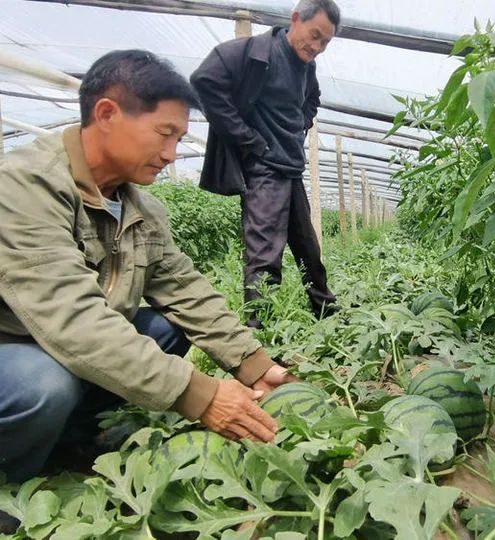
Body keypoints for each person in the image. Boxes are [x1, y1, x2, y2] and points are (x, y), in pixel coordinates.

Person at [0, 50, 295, 492]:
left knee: (163, 328)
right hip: (15, 346)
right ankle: (11, 489)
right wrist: (200, 395)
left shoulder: (138, 206)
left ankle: (71, 441)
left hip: (57, 343)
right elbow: (75, 322)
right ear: (107, 113)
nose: (172, 154)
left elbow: (185, 290)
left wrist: (254, 365)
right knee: (43, 386)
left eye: (179, 139)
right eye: (164, 134)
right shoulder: (26, 185)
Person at [191, 0, 341, 328]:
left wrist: (302, 120)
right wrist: (249, 140)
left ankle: (326, 312)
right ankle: (260, 333)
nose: (316, 47)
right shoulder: (257, 53)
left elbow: (312, 98)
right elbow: (204, 80)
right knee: (265, 254)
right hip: (263, 169)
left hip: (290, 167)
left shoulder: (307, 66)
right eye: (314, 36)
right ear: (295, 19)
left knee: (308, 249)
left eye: (325, 42)